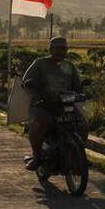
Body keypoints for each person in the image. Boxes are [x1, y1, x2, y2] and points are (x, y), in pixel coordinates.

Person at [21, 36, 85, 171]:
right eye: (56, 49)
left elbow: (78, 86)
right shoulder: (40, 64)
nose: (60, 52)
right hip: (43, 104)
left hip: (65, 105)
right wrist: (33, 88)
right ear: (50, 49)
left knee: (83, 124)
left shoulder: (69, 66)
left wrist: (82, 94)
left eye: (63, 49)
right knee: (39, 124)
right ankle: (37, 156)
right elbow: (26, 81)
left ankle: (77, 156)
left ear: (66, 50)